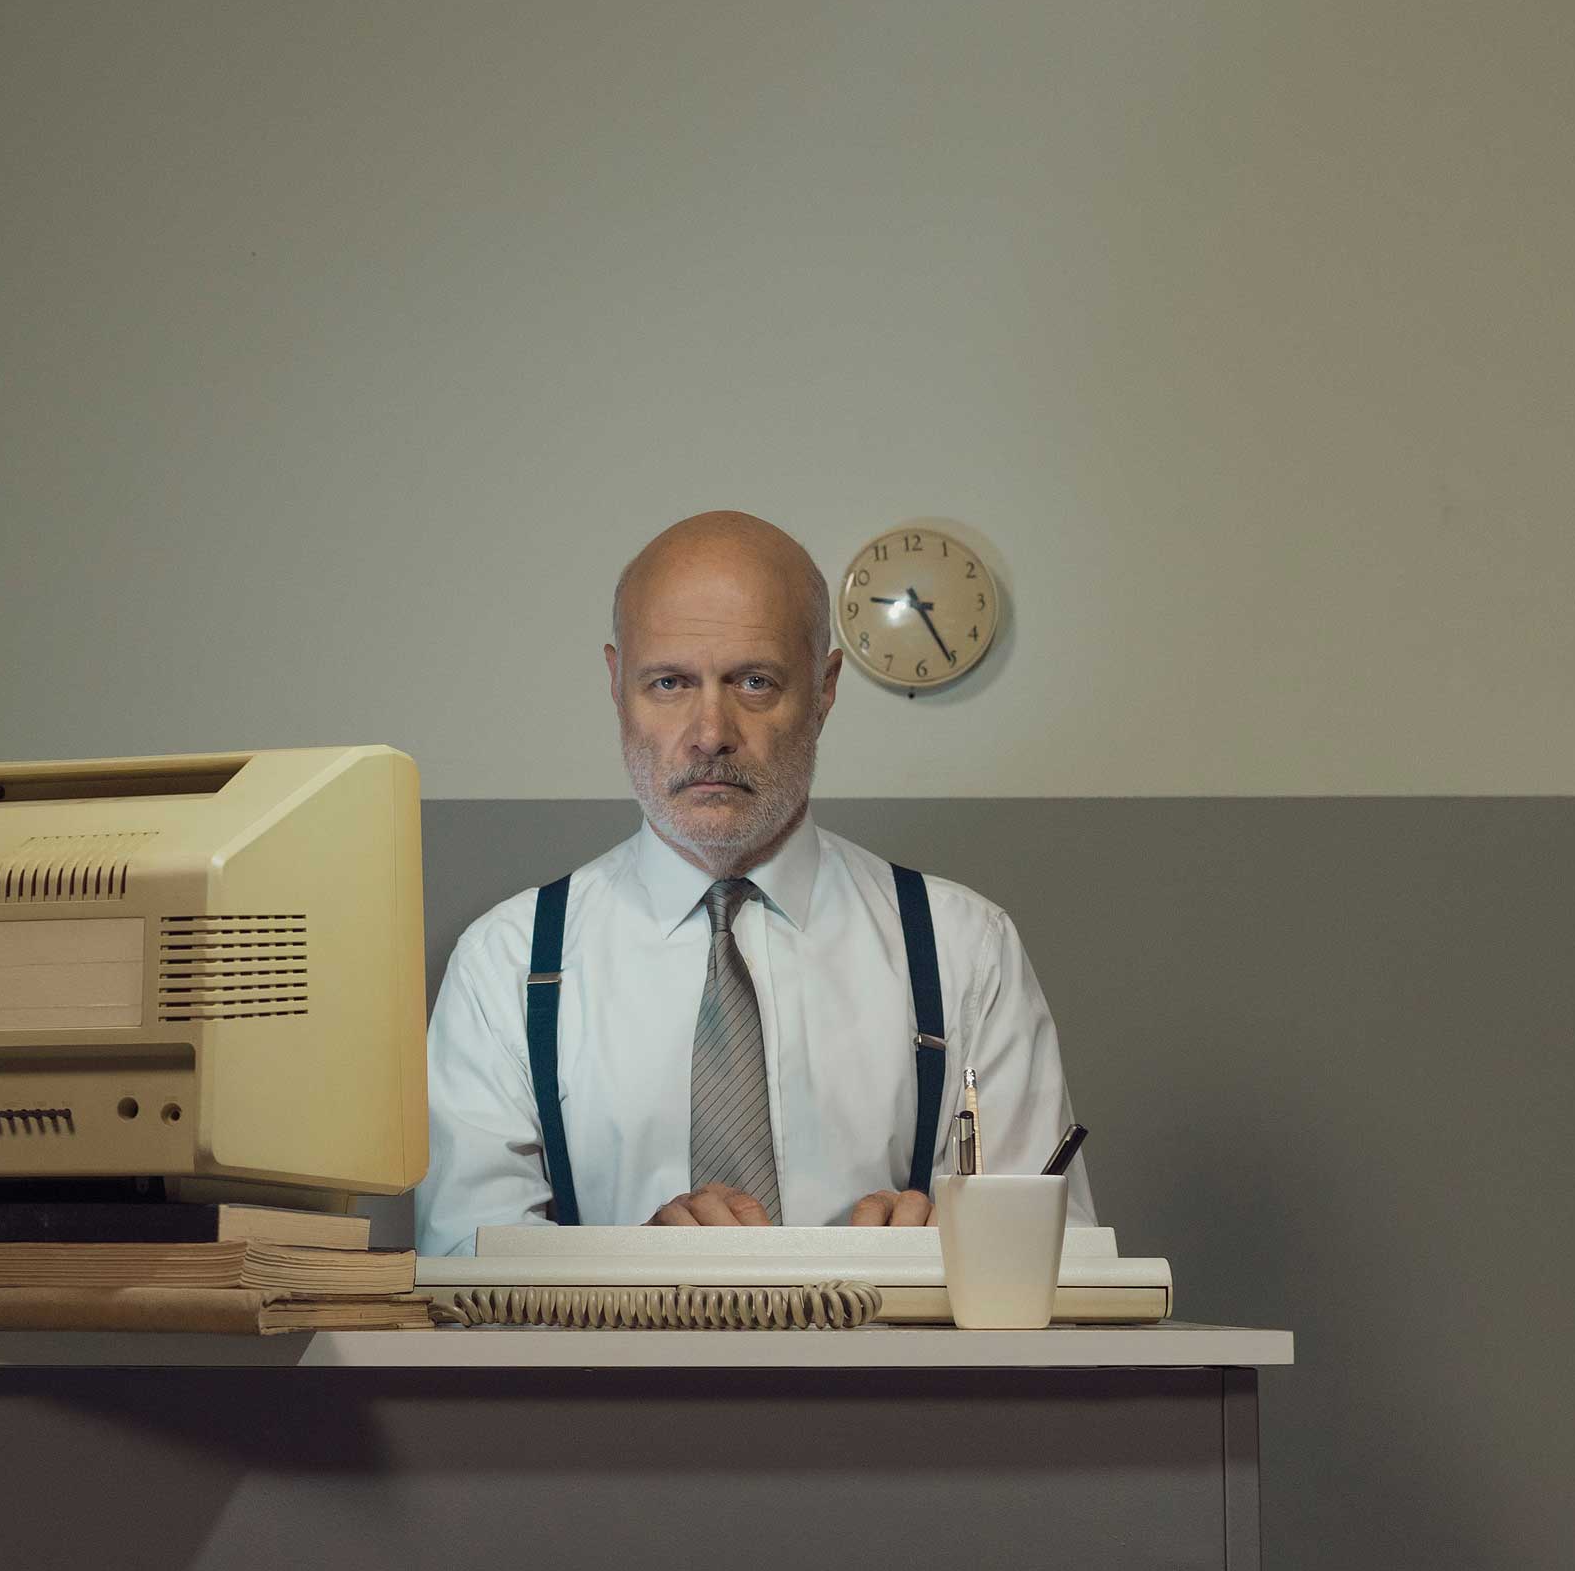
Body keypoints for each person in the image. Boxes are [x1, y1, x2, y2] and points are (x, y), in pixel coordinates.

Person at [413, 511, 1095, 1257]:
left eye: (755, 681)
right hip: (611, 1378)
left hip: (890, 1378)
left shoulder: (965, 950)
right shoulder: (505, 964)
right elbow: (462, 1266)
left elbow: (1052, 1264)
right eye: (669, 682)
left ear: (826, 690)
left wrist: (956, 1254)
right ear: (616, 684)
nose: (711, 731)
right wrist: (627, 1275)